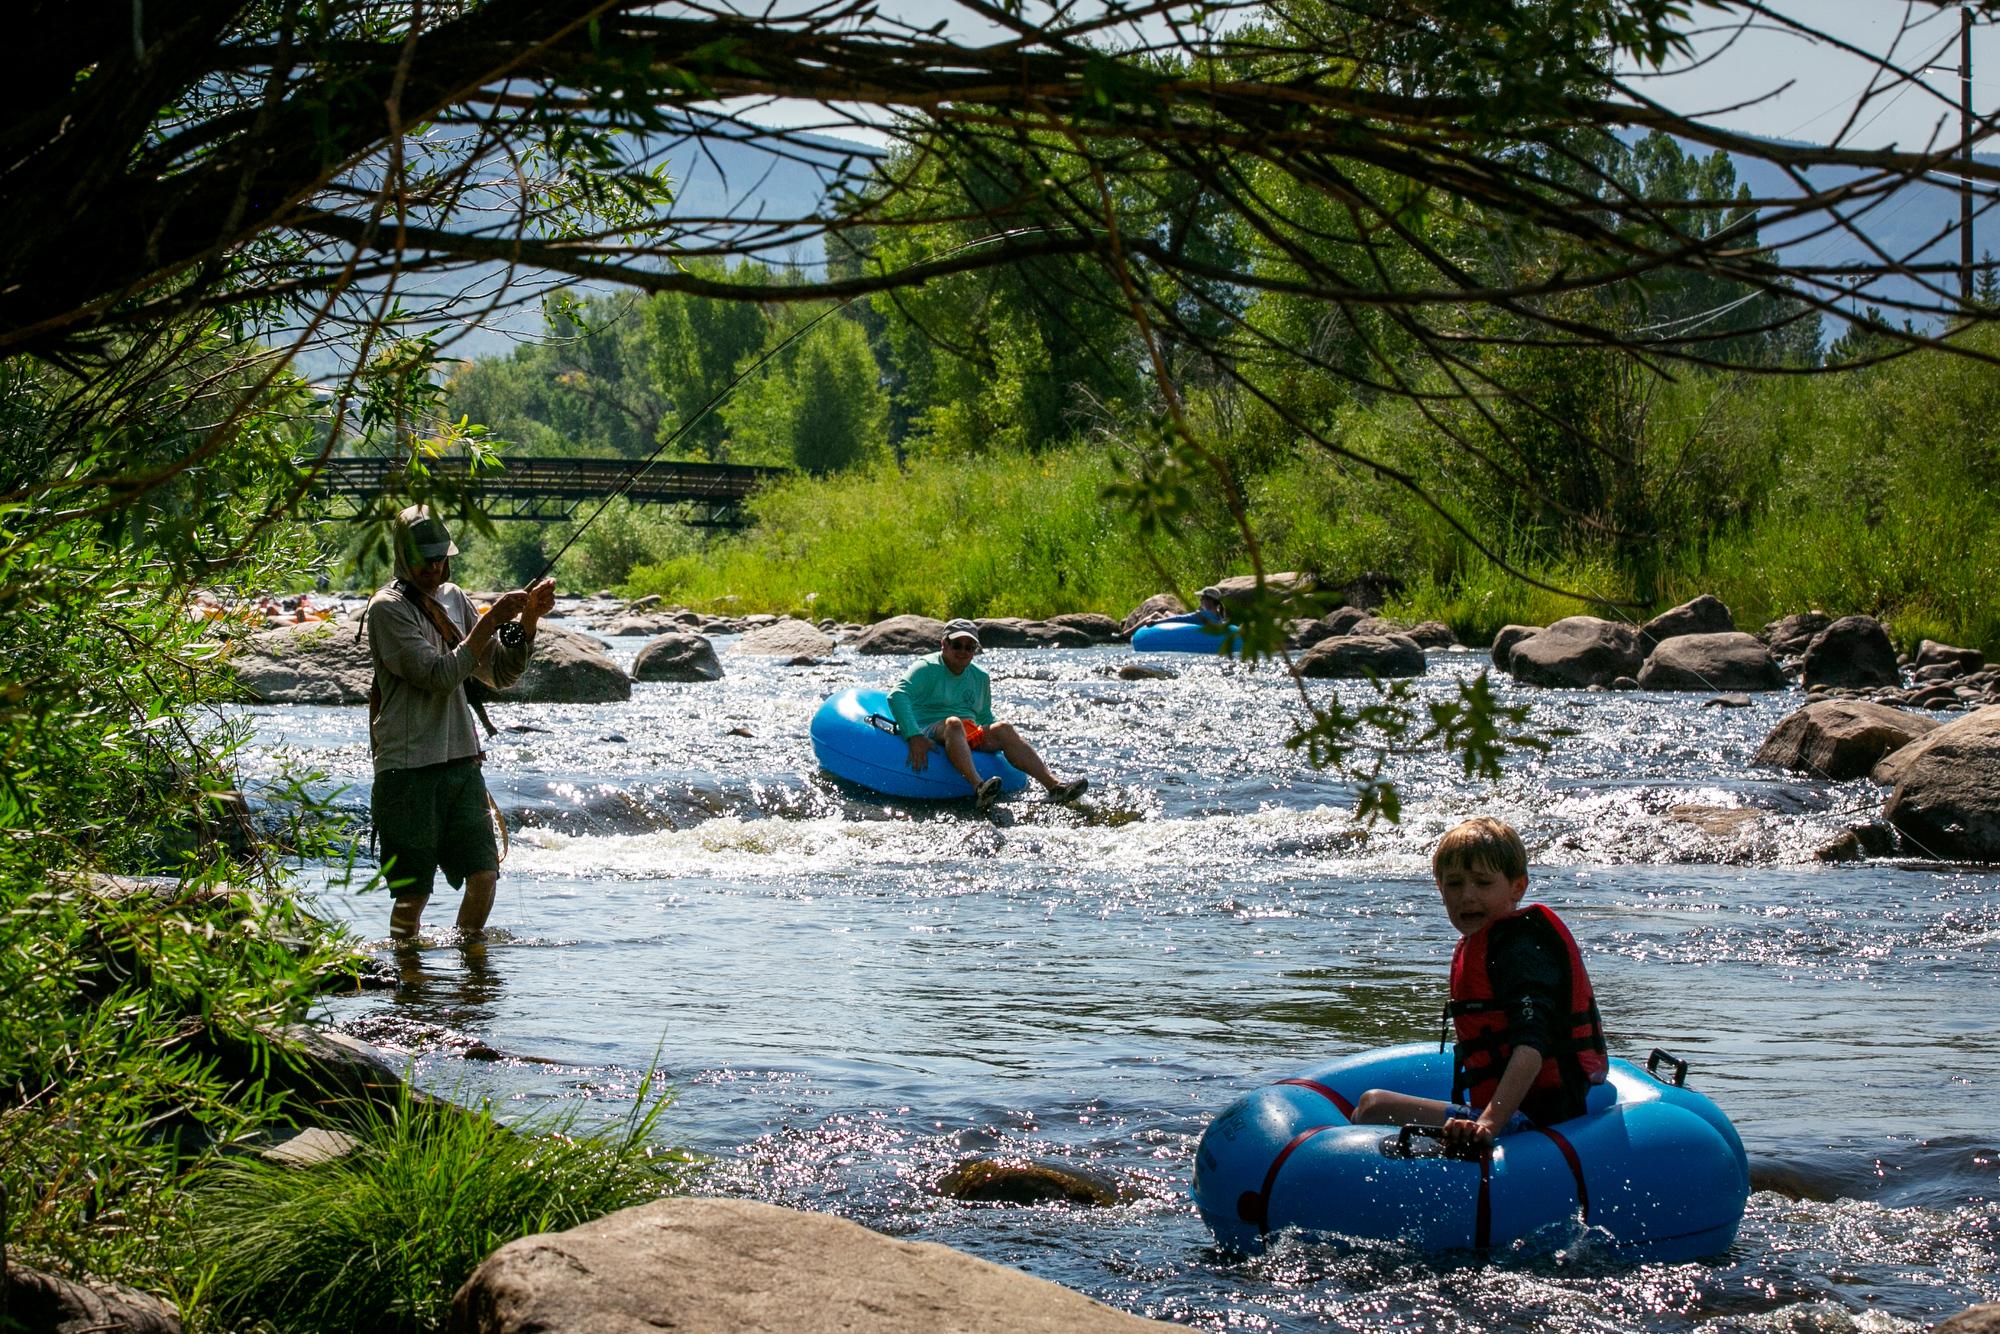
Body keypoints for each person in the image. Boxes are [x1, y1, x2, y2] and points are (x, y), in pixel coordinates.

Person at [1352, 817, 1608, 1152]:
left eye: (1483, 883)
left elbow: (1531, 1048)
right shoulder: (1488, 945)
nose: (1467, 897)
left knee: (1373, 1106)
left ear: (1517, 887)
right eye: (1455, 884)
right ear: (1439, 887)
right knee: (1366, 1107)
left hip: (1538, 1122)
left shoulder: (1521, 952)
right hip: (1517, 1114)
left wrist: (1486, 1123)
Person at [365, 505, 556, 940]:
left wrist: (528, 620)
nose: (435, 566)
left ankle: (470, 973)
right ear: (401, 555)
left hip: (462, 764)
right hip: (407, 770)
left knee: (484, 876)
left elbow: (500, 673)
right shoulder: (386, 609)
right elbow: (439, 675)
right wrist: (490, 620)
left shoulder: (454, 597)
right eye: (424, 558)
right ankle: (406, 972)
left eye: (441, 557)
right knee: (414, 894)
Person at [887, 618, 1089, 811]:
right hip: (929, 726)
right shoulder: (926, 668)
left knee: (1003, 728)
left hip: (965, 732)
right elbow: (897, 695)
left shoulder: (980, 677)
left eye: (970, 647)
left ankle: (1055, 787)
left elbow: (983, 716)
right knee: (954, 723)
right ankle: (979, 787)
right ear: (944, 644)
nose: (963, 651)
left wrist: (1000, 750)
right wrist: (914, 735)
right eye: (957, 645)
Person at [1153, 585, 1228, 627]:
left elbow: (1179, 619)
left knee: (1157, 615)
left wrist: (1156, 622)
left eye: (1201, 598)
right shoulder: (1219, 616)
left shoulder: (1201, 615)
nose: (1200, 601)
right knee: (1167, 613)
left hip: (1186, 629)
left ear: (1208, 602)